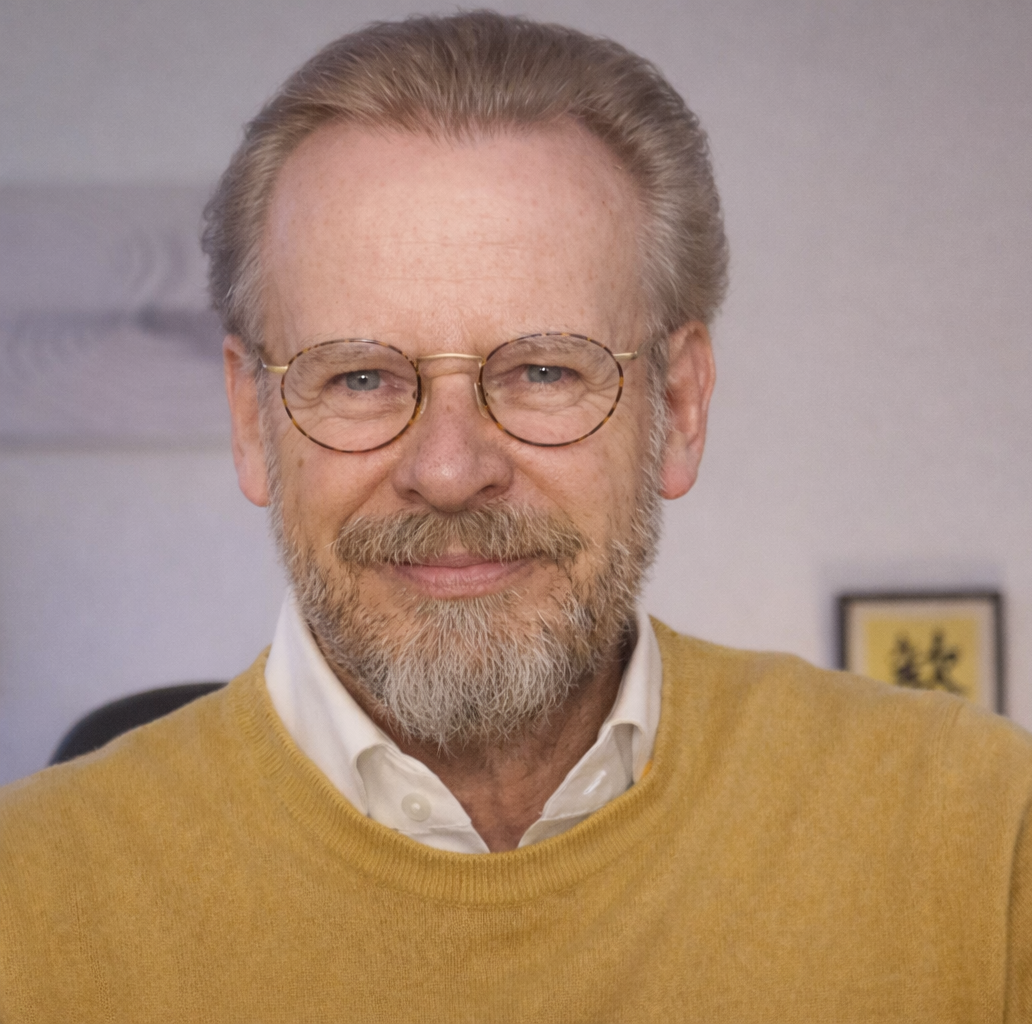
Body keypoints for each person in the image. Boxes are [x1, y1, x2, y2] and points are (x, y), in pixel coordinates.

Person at [1, 11, 1030, 1022]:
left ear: (678, 406)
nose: (450, 470)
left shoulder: (985, 841)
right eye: (359, 377)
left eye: (543, 371)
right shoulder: (25, 898)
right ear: (250, 420)